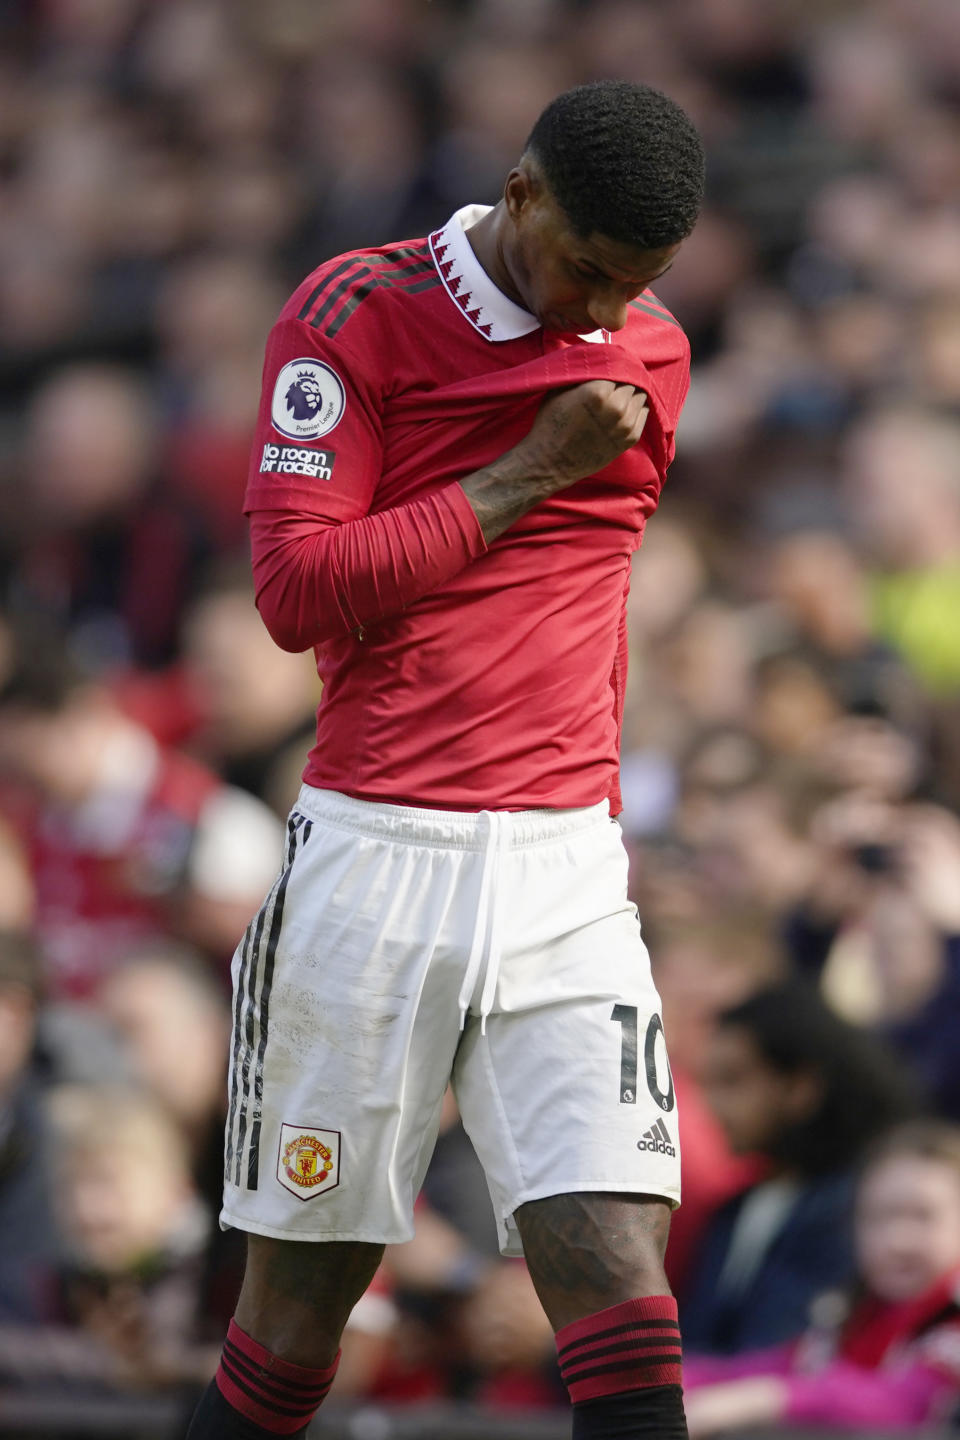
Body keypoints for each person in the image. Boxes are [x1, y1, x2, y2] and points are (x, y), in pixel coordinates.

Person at [186, 80, 706, 1440]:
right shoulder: (354, 313)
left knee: (618, 1279)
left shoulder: (653, 351)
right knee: (298, 1321)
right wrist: (525, 468)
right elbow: (296, 593)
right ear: (522, 192)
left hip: (566, 873)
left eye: (635, 286)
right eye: (588, 271)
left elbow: (574, 598)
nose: (603, 315)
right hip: (375, 862)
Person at [680, 981, 916, 1355]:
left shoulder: (851, 1205)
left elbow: (781, 1348)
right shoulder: (732, 1211)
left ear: (800, 1088)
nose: (711, 1105)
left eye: (733, 1081)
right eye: (709, 1083)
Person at [683, 1121, 960, 1433]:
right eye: (878, 1217)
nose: (897, 1239)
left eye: (923, 1216)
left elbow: (903, 1404)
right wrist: (664, 1379)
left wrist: (763, 1399)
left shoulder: (953, 1321)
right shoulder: (853, 1315)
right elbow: (765, 1369)